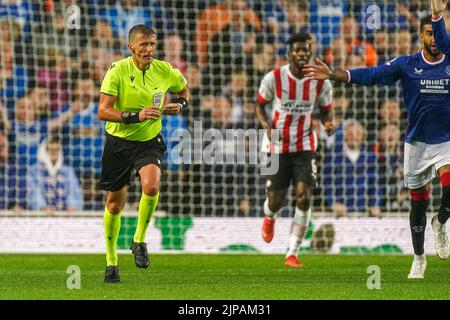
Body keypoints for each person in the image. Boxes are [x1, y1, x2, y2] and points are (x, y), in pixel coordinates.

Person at [303, 14, 450, 279]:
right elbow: (373, 74)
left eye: (436, 32)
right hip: (416, 144)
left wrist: (439, 14)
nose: (434, 38)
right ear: (420, 36)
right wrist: (336, 75)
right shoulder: (407, 64)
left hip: (445, 142)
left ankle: (440, 222)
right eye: (428, 33)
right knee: (417, 205)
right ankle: (418, 257)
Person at [98, 24, 190, 283]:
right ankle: (111, 261)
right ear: (132, 47)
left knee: (151, 186)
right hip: (118, 141)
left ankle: (139, 240)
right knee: (114, 204)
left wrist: (180, 105)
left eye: (152, 44)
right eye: (143, 45)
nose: (149, 49)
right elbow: (103, 110)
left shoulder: (165, 70)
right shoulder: (117, 71)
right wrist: (134, 116)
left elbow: (184, 90)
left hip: (149, 140)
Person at [256, 33, 335, 268]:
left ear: (310, 52)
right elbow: (259, 106)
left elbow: (326, 109)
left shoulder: (320, 81)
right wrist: (267, 127)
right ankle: (270, 217)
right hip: (277, 145)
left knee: (304, 196)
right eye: (297, 50)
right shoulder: (274, 78)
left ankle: (292, 252)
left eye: (306, 50)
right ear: (289, 53)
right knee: (276, 200)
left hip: (305, 145)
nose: (302, 54)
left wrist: (328, 123)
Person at [322, 120, 381, 218]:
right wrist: (333, 203)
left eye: (358, 133)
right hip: (339, 213)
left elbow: (374, 184)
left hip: (364, 212)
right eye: (350, 133)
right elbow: (327, 183)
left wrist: (375, 204)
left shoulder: (370, 157)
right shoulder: (333, 155)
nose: (354, 137)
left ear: (363, 136)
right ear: (344, 135)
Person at [27, 137, 83, 213]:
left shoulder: (68, 171)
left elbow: (73, 191)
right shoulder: (34, 170)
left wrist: (72, 207)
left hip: (65, 216)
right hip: (42, 215)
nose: (54, 152)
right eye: (51, 150)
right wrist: (42, 207)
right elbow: (34, 192)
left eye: (56, 150)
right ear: (44, 151)